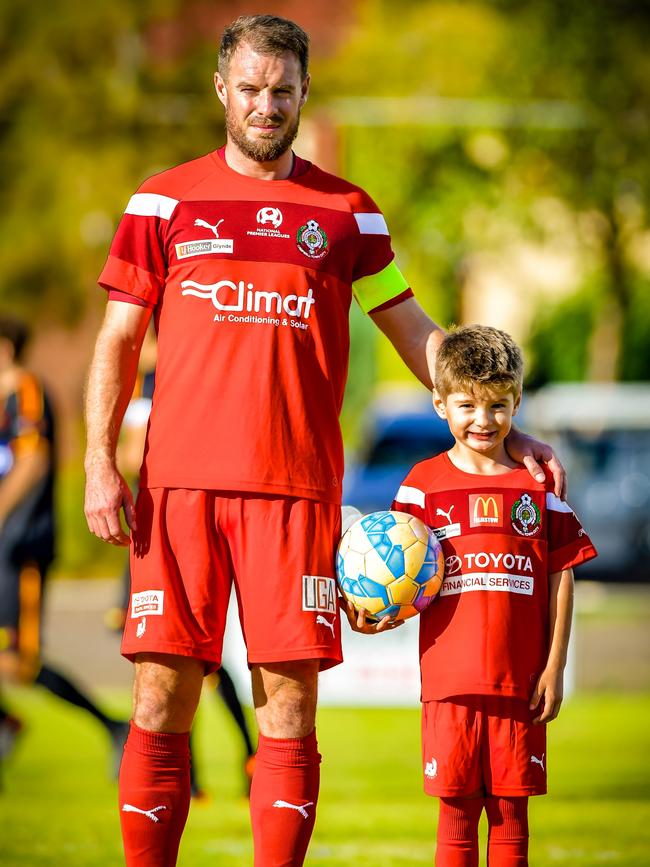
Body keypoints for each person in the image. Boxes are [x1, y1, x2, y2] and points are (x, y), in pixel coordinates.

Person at [83, 15, 566, 866]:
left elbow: (414, 330)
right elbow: (118, 341)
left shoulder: (348, 215)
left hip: (296, 495)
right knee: (159, 696)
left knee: (288, 711)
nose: (265, 105)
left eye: (282, 90)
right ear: (222, 91)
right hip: (178, 489)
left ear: (305, 93)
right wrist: (97, 462)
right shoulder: (162, 200)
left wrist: (501, 423)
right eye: (251, 88)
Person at [387, 325, 597, 867]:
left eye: (498, 406)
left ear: (516, 403)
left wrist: (554, 667)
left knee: (510, 816)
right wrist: (375, 613)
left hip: (520, 685)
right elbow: (396, 572)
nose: (484, 420)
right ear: (440, 404)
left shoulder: (537, 489)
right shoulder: (420, 485)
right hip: (449, 685)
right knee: (455, 815)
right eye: (467, 405)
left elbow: (561, 573)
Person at [105, 334, 257, 799]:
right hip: (156, 529)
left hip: (169, 526)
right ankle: (230, 761)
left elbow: (133, 456)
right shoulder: (161, 378)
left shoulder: (161, 379)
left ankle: (202, 771)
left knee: (177, 655)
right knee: (183, 657)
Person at [0, 315, 128, 778]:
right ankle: (8, 722)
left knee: (19, 662)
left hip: (19, 546)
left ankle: (112, 725)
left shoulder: (26, 391)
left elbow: (32, 462)